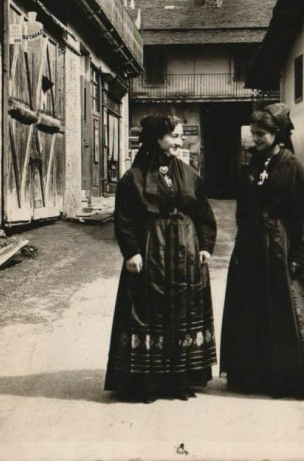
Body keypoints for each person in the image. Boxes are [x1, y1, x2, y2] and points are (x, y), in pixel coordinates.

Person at [220, 103, 304, 398]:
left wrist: (298, 255)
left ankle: (286, 377)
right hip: (252, 248)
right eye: (252, 134)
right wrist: (242, 240)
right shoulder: (254, 164)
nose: (255, 139)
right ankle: (253, 375)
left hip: (282, 247)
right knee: (253, 308)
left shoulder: (292, 166)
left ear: (276, 134)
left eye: (260, 134)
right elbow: (243, 207)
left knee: (283, 309)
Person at [105, 113, 217, 403]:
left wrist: (205, 245)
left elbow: (203, 213)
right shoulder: (134, 177)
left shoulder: (189, 173)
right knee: (149, 311)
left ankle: (180, 381)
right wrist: (131, 251)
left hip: (185, 252)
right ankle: (148, 384)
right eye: (175, 137)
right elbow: (124, 218)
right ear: (158, 139)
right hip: (152, 250)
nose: (179, 142)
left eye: (180, 136)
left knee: (183, 309)